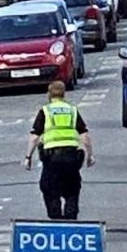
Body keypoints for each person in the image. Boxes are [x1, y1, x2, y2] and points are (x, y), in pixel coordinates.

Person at [23, 81, 95, 220]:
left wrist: (28, 157)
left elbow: (34, 137)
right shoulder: (72, 110)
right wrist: (90, 156)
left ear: (49, 94)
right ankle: (71, 221)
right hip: (71, 158)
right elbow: (85, 136)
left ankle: (56, 221)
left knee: (49, 190)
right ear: (64, 94)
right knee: (72, 190)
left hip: (52, 160)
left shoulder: (45, 111)